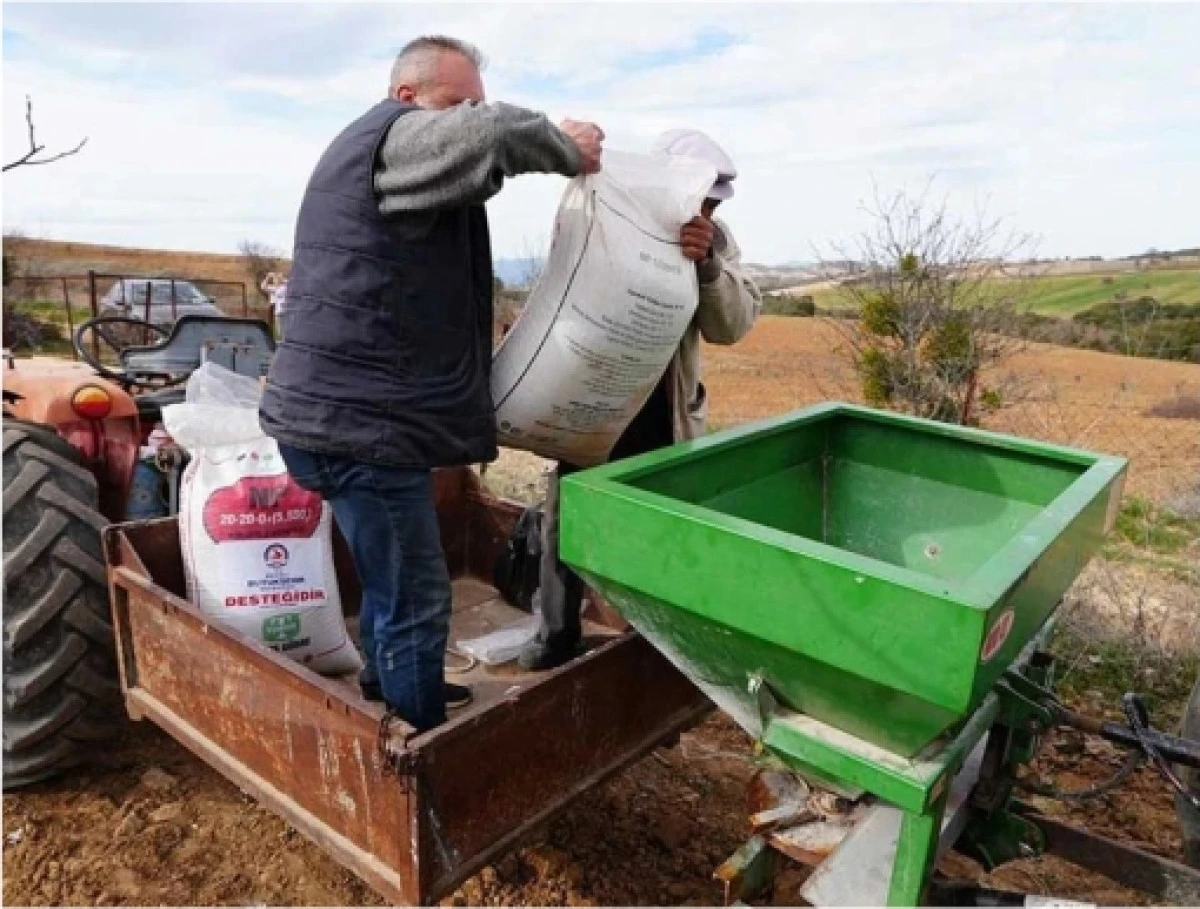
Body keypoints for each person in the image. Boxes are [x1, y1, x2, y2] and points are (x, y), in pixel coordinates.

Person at [259, 35, 604, 731]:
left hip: (342, 419)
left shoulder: (380, 160)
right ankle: (416, 738)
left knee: (388, 576)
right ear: (406, 96)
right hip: (364, 429)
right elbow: (495, 131)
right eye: (455, 103)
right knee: (417, 594)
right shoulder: (396, 136)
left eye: (472, 104)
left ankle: (389, 681)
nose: (466, 117)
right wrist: (567, 147)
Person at [519, 128, 762, 671]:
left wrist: (708, 266)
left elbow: (732, 325)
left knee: (654, 534)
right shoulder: (617, 217)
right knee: (567, 518)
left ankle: (647, 647)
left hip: (664, 416)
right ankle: (555, 636)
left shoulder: (716, 243)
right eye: (699, 199)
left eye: (712, 204)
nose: (704, 211)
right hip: (595, 403)